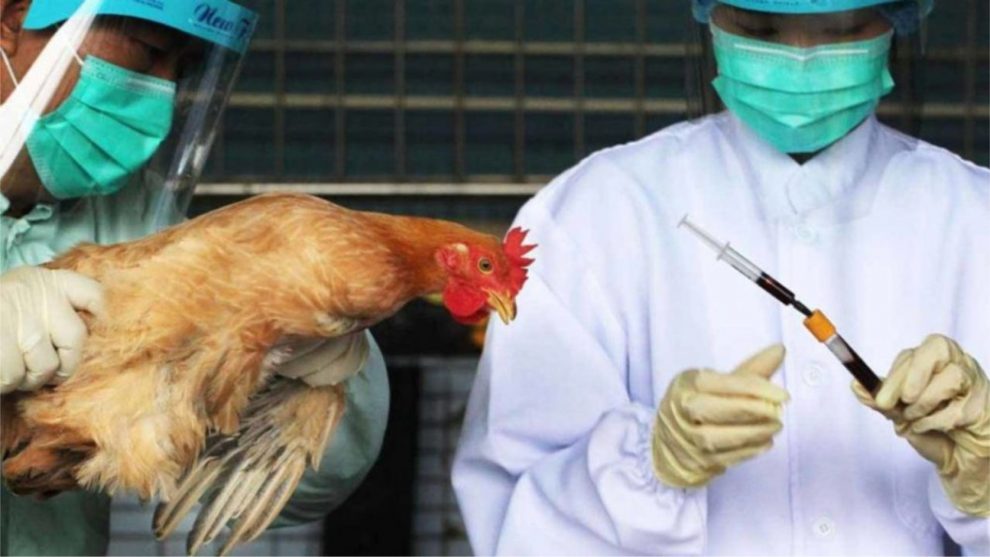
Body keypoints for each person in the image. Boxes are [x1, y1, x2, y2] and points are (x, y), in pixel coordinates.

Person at [452, 0, 989, 554]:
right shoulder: (593, 216)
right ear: (710, 15)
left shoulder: (976, 220)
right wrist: (648, 466)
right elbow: (513, 530)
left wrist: (984, 483)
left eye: (842, 29)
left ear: (895, 17)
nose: (800, 58)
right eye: (761, 29)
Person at [0, 0, 389, 554]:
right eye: (150, 51)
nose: (159, 96)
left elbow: (308, 484)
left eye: (180, 69)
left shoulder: (133, 225)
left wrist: (296, 370)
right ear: (12, 20)